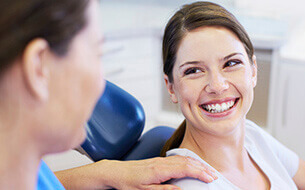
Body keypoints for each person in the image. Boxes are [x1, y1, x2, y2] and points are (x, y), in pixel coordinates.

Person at [0, 0, 218, 190]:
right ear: (39, 68)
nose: (101, 86)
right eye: (97, 54)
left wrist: (106, 173)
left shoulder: (26, 169)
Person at [161, 1, 305, 189]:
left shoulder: (252, 136)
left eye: (231, 63)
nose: (217, 86)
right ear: (171, 88)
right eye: (194, 70)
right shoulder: (191, 185)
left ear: (253, 71)